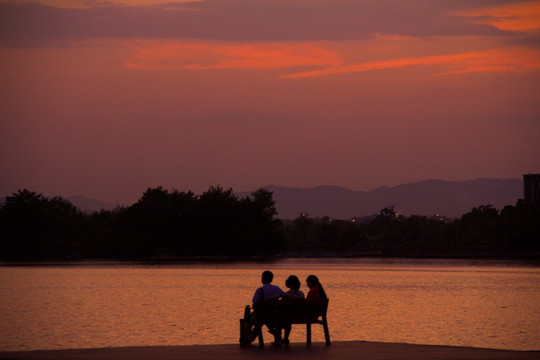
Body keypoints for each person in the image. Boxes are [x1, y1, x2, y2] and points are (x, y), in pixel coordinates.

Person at [251, 270, 287, 344]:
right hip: (274, 315)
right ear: (271, 279)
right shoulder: (277, 289)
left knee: (252, 319)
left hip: (261, 316)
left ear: (262, 279)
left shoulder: (260, 290)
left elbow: (254, 304)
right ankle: (277, 336)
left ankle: (249, 337)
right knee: (267, 320)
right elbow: (286, 296)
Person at [282, 275, 305, 345]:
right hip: (300, 315)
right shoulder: (301, 294)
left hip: (289, 316)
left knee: (283, 318)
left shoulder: (287, 294)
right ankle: (284, 338)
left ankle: (281, 337)